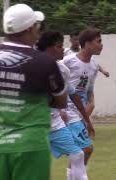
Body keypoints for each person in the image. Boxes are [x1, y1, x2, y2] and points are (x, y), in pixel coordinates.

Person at [0, 4, 67, 180]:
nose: (39, 30)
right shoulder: (44, 62)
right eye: (37, 26)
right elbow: (61, 101)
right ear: (30, 28)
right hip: (30, 145)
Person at [36, 31, 89, 180]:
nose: (62, 50)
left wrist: (62, 109)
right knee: (36, 161)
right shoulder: (32, 65)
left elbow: (71, 93)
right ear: (49, 48)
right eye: (59, 46)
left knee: (77, 154)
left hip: (55, 123)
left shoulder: (63, 70)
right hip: (34, 124)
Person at [61, 28, 103, 169]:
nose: (102, 45)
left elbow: (89, 90)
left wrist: (92, 103)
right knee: (86, 149)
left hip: (80, 112)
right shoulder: (68, 61)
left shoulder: (94, 66)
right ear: (87, 44)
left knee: (80, 152)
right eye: (99, 41)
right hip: (67, 111)